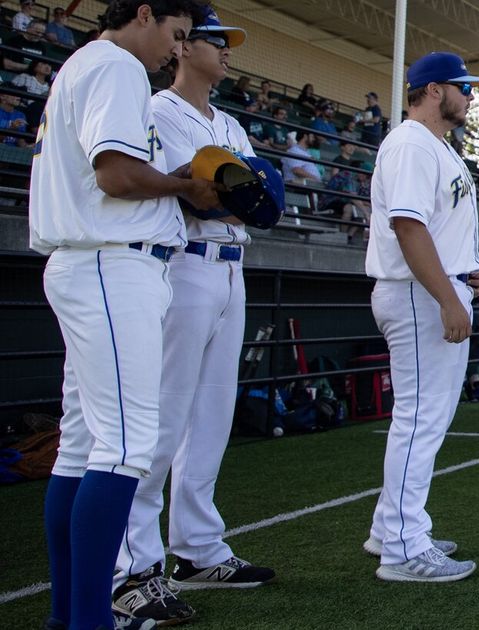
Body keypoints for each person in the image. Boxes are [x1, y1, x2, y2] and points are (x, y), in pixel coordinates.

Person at [30, 1, 217, 628]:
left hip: (91, 261)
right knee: (126, 448)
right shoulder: (113, 65)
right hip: (111, 261)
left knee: (81, 449)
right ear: (145, 13)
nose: (177, 48)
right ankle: (89, 620)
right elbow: (114, 173)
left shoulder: (85, 64)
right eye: (176, 32)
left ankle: (69, 616)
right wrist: (183, 184)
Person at [110, 10, 274, 625]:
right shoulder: (159, 110)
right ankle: (137, 563)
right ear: (185, 48)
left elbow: (257, 200)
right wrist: (230, 194)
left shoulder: (228, 121)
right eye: (217, 41)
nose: (228, 52)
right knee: (165, 415)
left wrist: (234, 195)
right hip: (185, 264)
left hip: (230, 267)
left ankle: (198, 548)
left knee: (210, 416)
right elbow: (210, 191)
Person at [360, 51, 479, 581]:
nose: (471, 96)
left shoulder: (434, 145)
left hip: (429, 287)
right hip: (417, 293)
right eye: (464, 87)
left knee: (422, 420)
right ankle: (404, 549)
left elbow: (433, 225)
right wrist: (448, 297)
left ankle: (392, 527)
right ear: (434, 90)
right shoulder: (412, 142)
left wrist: (466, 272)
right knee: (419, 422)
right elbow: (408, 228)